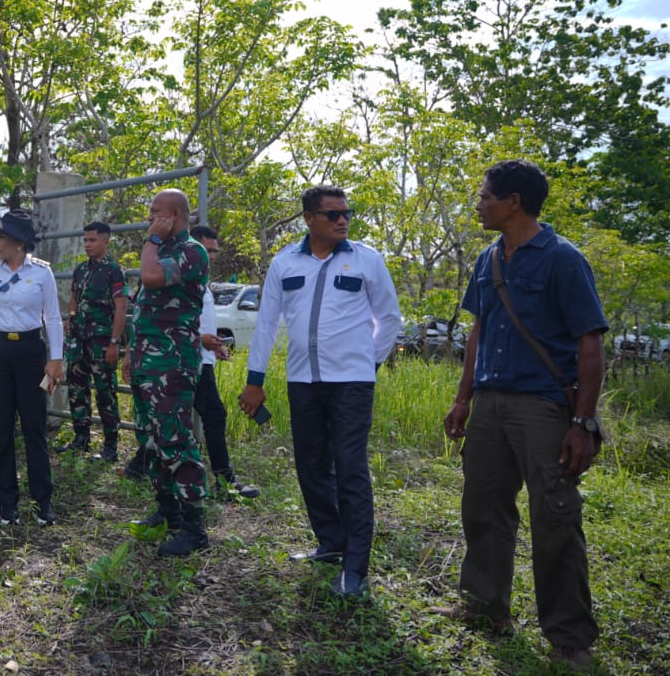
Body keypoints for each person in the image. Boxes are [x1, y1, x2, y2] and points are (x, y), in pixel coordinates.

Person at [437, 160, 605, 671]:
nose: (479, 203)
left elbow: (590, 344)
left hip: (545, 408)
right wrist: (463, 398)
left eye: (486, 196)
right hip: (489, 404)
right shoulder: (488, 260)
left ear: (513, 202)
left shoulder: (562, 259)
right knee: (483, 507)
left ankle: (569, 636)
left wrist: (582, 422)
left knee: (555, 518)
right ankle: (486, 607)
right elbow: (478, 333)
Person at [239, 185, 401, 597]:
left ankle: (355, 568)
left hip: (351, 383)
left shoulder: (367, 259)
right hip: (302, 382)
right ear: (309, 219)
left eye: (347, 213)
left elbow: (389, 318)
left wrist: (369, 364)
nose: (342, 220)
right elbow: (266, 324)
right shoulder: (284, 263)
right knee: (310, 466)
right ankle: (331, 542)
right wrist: (254, 381)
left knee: (350, 469)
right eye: (332, 214)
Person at [127, 189, 212, 557]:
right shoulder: (162, 250)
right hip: (148, 361)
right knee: (150, 438)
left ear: (175, 214)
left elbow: (149, 278)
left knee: (175, 439)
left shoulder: (191, 251)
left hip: (172, 363)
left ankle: (195, 529)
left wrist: (151, 241)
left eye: (154, 212)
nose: (149, 218)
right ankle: (168, 514)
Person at [0, 209, 64, 526]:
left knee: (34, 428)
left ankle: (42, 501)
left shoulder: (42, 274)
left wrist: (56, 357)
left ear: (20, 243)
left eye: (1, 237)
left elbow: (53, 318)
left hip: (30, 352)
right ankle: (7, 503)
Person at [189, 224, 260, 500]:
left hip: (201, 358)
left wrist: (214, 342)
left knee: (174, 419)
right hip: (186, 360)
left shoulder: (201, 280)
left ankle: (141, 466)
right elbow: (167, 321)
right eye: (207, 251)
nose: (212, 257)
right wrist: (200, 339)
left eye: (214, 252)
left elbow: (199, 320)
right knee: (212, 415)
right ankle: (225, 479)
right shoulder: (184, 279)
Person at [58, 221, 126, 461]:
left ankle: (110, 447)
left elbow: (121, 308)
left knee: (106, 394)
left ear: (106, 241)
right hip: (79, 341)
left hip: (102, 343)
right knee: (77, 390)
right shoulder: (81, 270)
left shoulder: (113, 271)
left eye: (92, 240)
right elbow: (74, 298)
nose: (87, 244)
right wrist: (71, 320)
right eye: (85, 240)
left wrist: (114, 342)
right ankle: (81, 439)